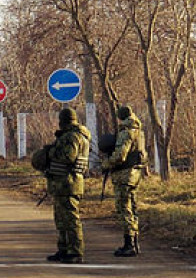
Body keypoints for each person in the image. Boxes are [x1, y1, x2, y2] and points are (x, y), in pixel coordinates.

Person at [41, 108, 91, 264]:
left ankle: (75, 251)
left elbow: (68, 156)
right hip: (63, 183)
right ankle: (64, 249)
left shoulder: (72, 137)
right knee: (61, 219)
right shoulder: (73, 135)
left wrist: (50, 152)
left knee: (70, 219)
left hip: (69, 183)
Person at [102, 105, 147, 257]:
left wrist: (106, 164)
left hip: (124, 175)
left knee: (124, 208)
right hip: (135, 174)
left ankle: (129, 245)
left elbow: (120, 155)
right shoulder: (139, 132)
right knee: (133, 208)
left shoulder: (126, 133)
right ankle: (135, 242)